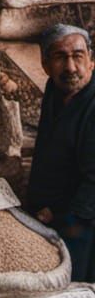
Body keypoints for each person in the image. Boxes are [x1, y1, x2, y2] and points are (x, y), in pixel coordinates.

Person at [28, 23, 95, 281]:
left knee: (79, 285)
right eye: (60, 57)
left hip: (83, 218)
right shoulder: (55, 91)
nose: (70, 67)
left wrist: (63, 216)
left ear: (91, 61)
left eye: (78, 56)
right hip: (52, 213)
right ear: (45, 65)